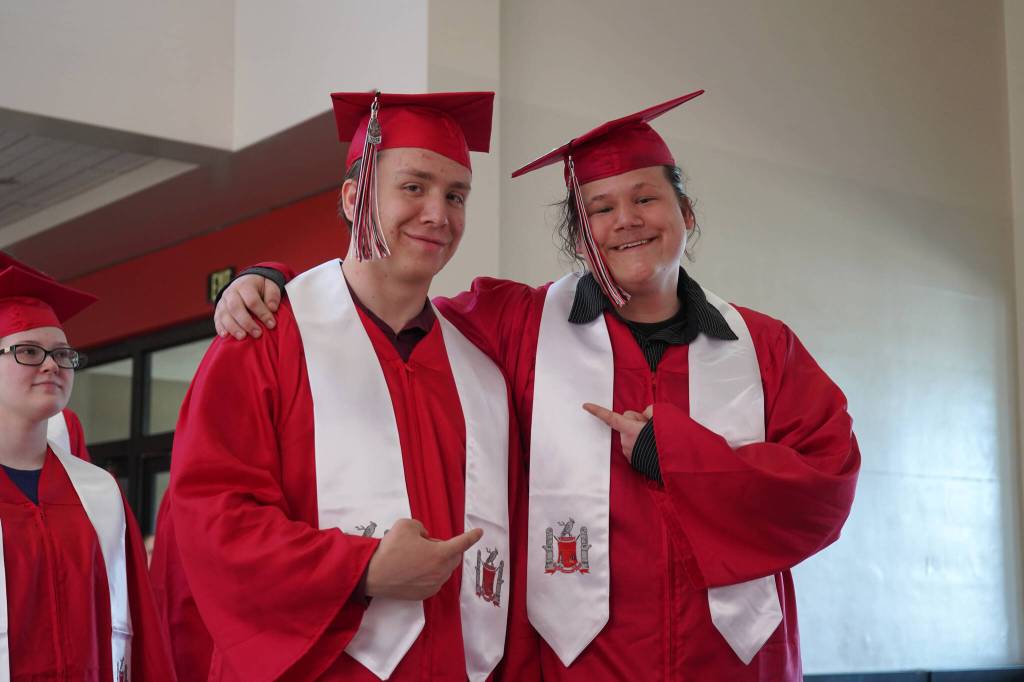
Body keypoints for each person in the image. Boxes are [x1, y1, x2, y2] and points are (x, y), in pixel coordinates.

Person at [217, 90, 860, 681]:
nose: (626, 221)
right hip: (572, 667)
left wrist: (679, 457)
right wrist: (271, 282)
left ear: (684, 212)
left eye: (646, 198)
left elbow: (828, 484)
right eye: (600, 209)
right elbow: (384, 309)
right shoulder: (516, 324)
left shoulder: (763, 347)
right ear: (580, 236)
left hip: (735, 662)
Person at [161, 90, 534, 681]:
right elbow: (211, 518)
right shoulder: (266, 339)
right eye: (414, 187)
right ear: (355, 196)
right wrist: (359, 570)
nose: (438, 213)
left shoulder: (480, 366)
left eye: (455, 195)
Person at [0, 260, 175, 681]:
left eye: (62, 354)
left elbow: (143, 627)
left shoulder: (98, 492)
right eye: (28, 351)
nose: (51, 365)